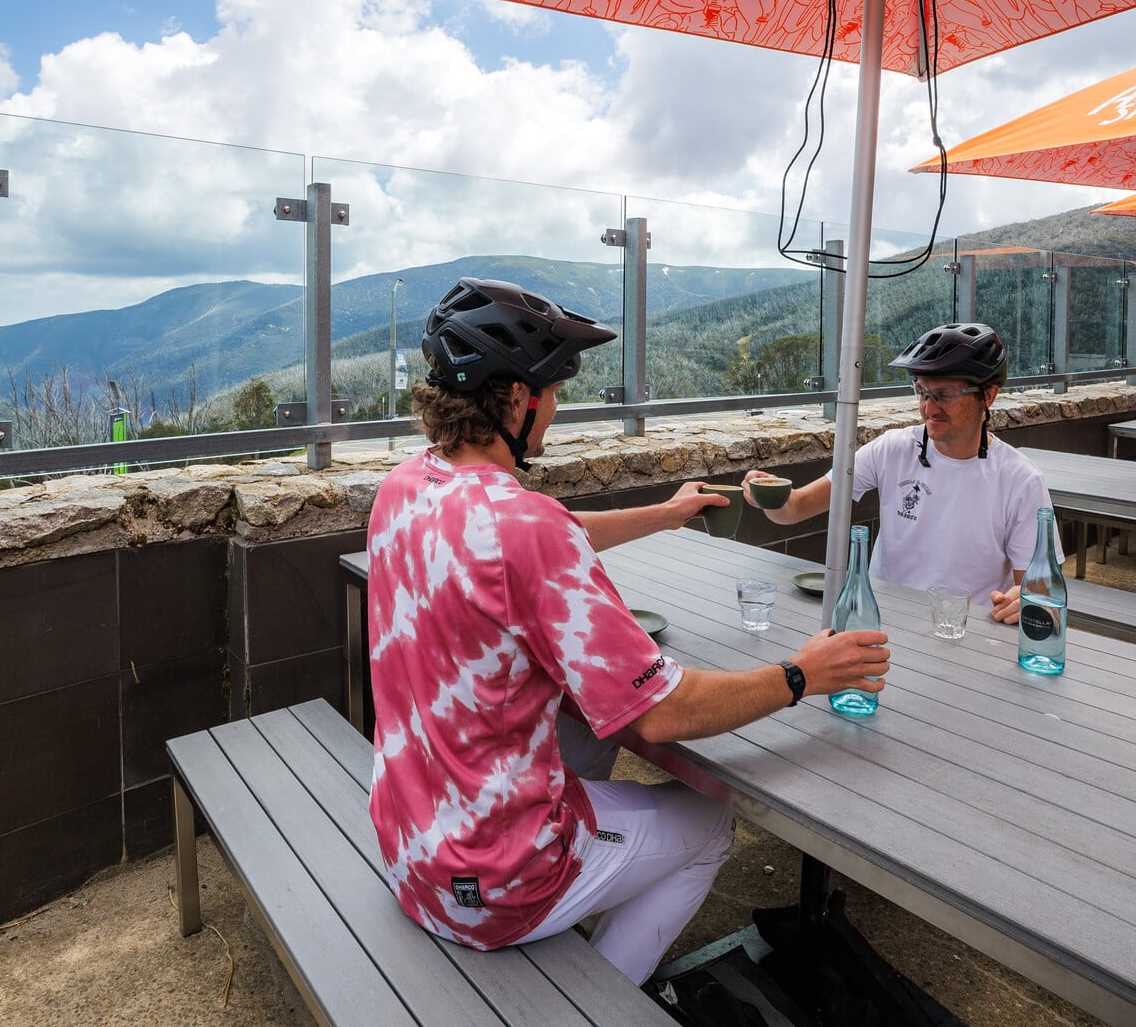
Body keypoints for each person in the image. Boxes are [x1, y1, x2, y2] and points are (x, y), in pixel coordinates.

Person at [366, 277, 890, 985]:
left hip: (408, 845)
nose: (556, 408)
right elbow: (665, 713)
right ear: (519, 399)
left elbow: (543, 532)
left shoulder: (405, 488)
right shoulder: (525, 527)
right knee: (709, 826)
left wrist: (662, 515)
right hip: (489, 884)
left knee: (582, 729)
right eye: (554, 391)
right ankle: (602, 1000)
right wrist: (801, 675)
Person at [744, 322, 1054, 627]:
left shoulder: (1021, 481)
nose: (928, 409)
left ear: (988, 395)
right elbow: (796, 507)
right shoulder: (891, 449)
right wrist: (770, 496)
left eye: (943, 395)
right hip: (882, 623)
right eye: (922, 393)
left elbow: (1038, 592)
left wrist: (1025, 600)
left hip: (962, 634)